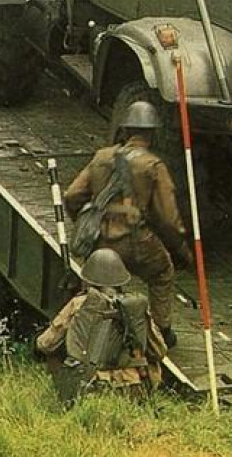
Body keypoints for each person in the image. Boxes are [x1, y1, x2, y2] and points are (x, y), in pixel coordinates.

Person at [64, 99, 190, 346]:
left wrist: (86, 222)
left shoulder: (101, 157)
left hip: (101, 240)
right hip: (137, 241)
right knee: (162, 273)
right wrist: (180, 247)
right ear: (152, 133)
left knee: (96, 283)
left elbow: (72, 195)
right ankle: (161, 332)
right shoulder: (153, 165)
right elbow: (169, 218)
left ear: (124, 130)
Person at [35, 247, 165, 405]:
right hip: (132, 387)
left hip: (90, 386)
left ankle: (63, 400)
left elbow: (46, 344)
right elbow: (159, 350)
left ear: (88, 279)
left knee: (53, 353)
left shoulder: (79, 303)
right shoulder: (136, 306)